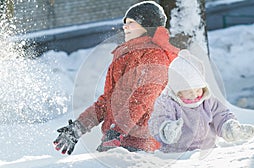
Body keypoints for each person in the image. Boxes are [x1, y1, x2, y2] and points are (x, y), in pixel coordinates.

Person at [53, 1, 179, 154]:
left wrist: (118, 130)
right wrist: (78, 127)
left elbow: (143, 98)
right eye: (125, 23)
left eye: (131, 23)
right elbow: (107, 100)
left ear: (147, 26)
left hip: (141, 145)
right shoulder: (125, 55)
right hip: (118, 140)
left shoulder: (155, 56)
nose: (125, 27)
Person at [148, 49, 254, 153]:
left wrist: (227, 126)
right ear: (177, 91)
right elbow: (157, 121)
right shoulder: (167, 103)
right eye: (189, 91)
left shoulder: (208, 100)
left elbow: (221, 114)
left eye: (198, 89)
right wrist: (167, 129)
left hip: (208, 150)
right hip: (178, 154)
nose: (195, 94)